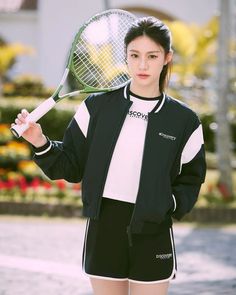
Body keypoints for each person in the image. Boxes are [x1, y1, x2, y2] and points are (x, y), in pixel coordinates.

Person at [13, 16, 206, 295]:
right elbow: (70, 165)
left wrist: (168, 204)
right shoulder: (97, 107)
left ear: (167, 58)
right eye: (134, 55)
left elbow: (192, 177)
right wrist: (39, 140)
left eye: (152, 56)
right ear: (125, 57)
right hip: (104, 227)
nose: (142, 65)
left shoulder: (184, 120)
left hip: (153, 231)